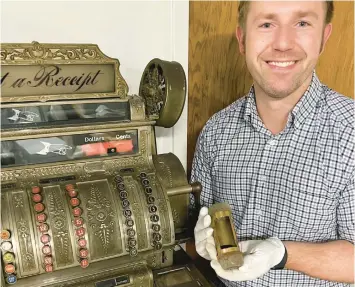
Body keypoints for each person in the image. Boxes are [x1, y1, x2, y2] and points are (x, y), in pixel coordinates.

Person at [190, 1, 354, 286]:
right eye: (267, 24)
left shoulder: (351, 133)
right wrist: (203, 239)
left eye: (302, 23)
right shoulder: (215, 133)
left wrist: (282, 254)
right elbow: (202, 219)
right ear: (242, 39)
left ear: (324, 38)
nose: (283, 43)